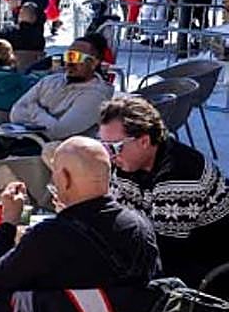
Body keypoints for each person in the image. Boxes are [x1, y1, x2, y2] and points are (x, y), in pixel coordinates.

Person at [0, 137, 160, 312]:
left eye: (54, 172)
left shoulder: (50, 237)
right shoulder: (141, 227)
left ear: (64, 178)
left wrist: (8, 222)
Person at [98, 96, 229, 288]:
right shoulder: (127, 163)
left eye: (114, 147)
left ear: (144, 141)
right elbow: (117, 219)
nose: (109, 155)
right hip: (164, 253)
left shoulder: (181, 175)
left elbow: (163, 253)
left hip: (203, 270)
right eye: (103, 146)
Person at [9, 35, 113, 140]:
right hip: (23, 140)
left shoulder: (96, 96)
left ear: (94, 63)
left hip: (58, 151)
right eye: (68, 56)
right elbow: (15, 113)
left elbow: (58, 131)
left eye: (77, 57)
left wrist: (33, 109)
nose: (70, 62)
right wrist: (47, 121)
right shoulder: (50, 81)